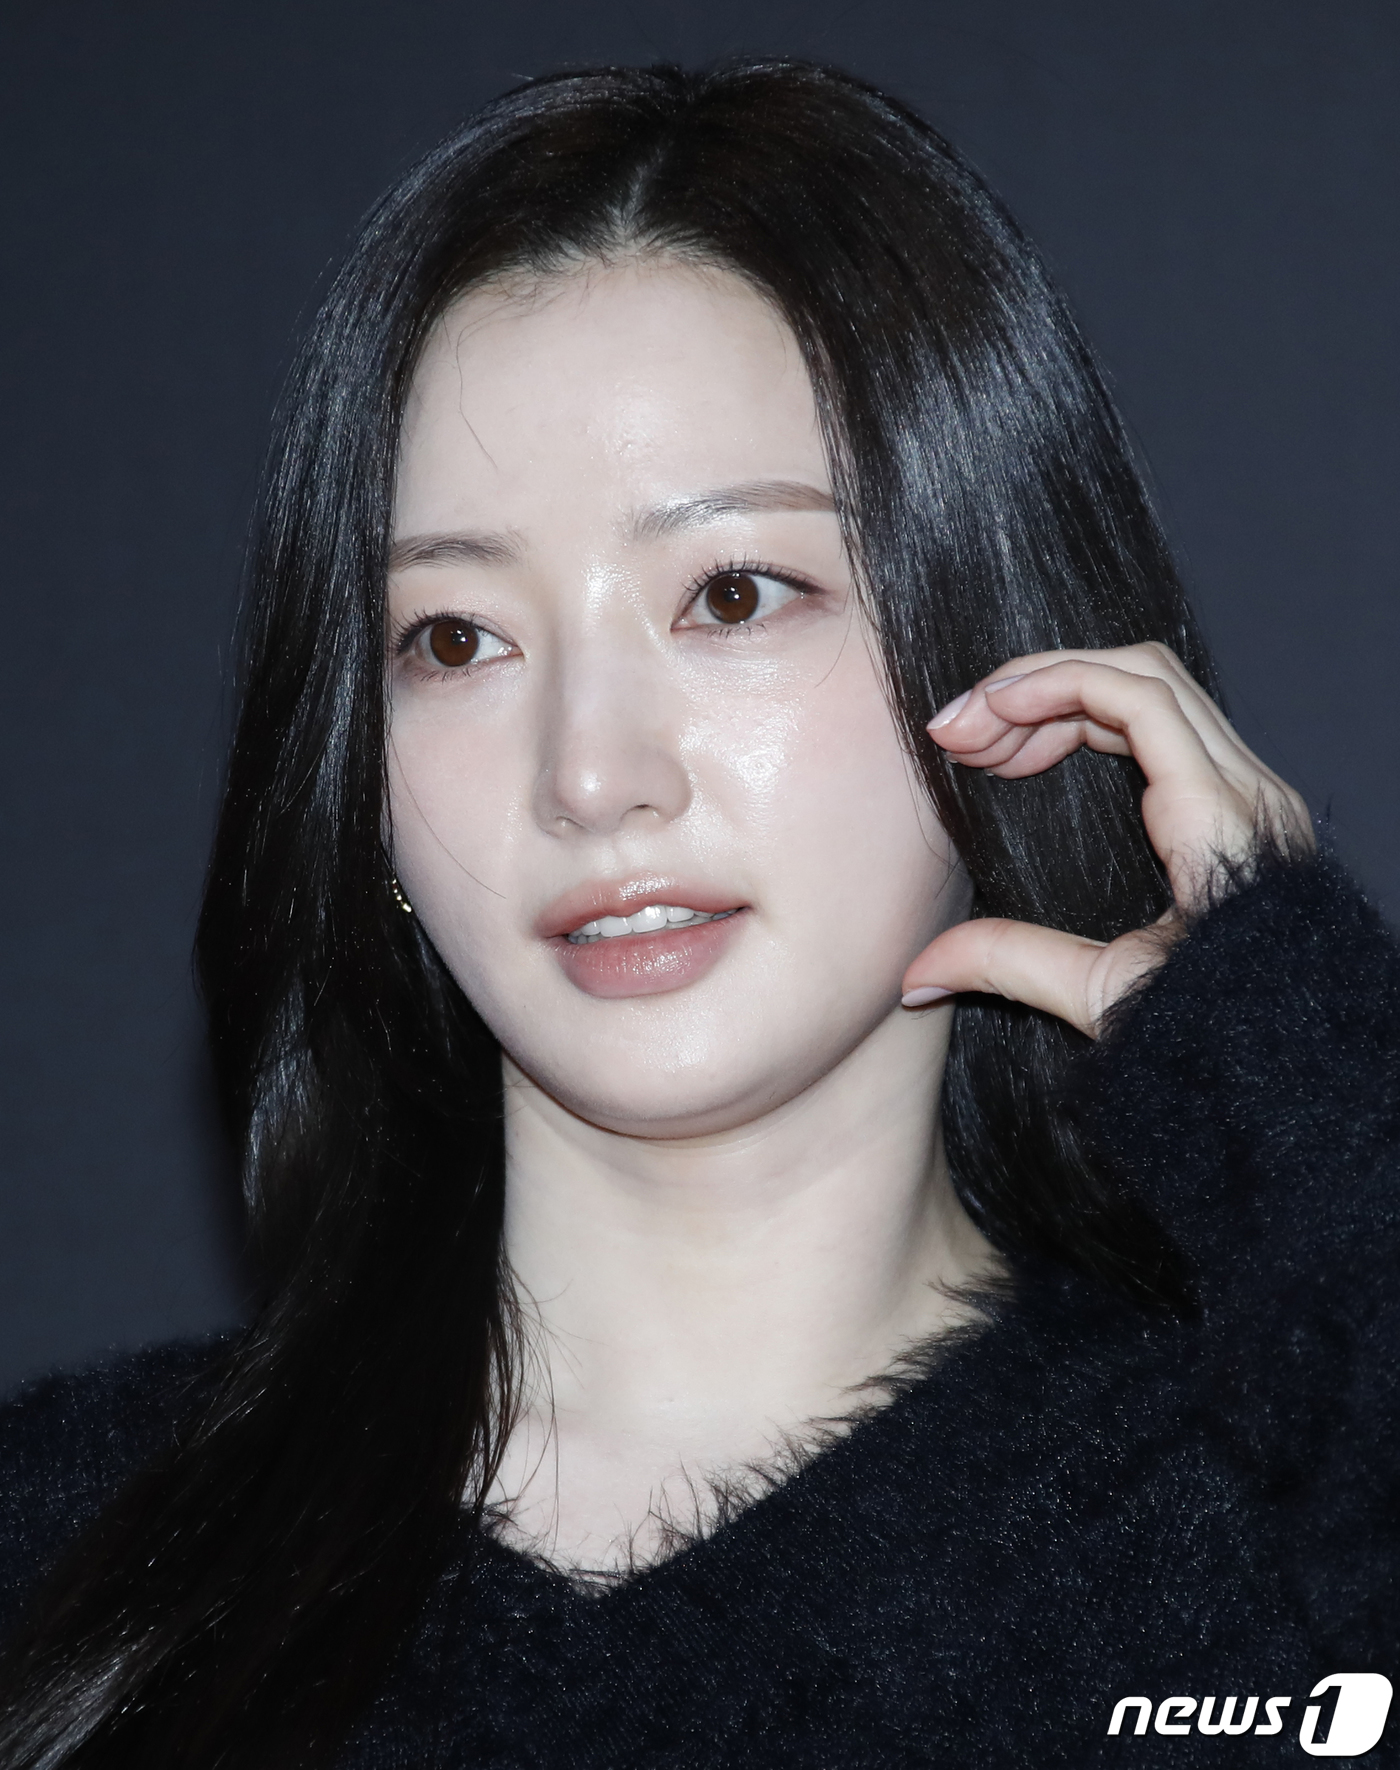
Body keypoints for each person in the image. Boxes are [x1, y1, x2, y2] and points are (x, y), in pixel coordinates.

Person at [0, 58, 1394, 1770]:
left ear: (1009, 652)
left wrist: (1297, 1073)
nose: (591, 775)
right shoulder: (65, 1546)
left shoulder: (1280, 1543)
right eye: (456, 639)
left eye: (733, 594)